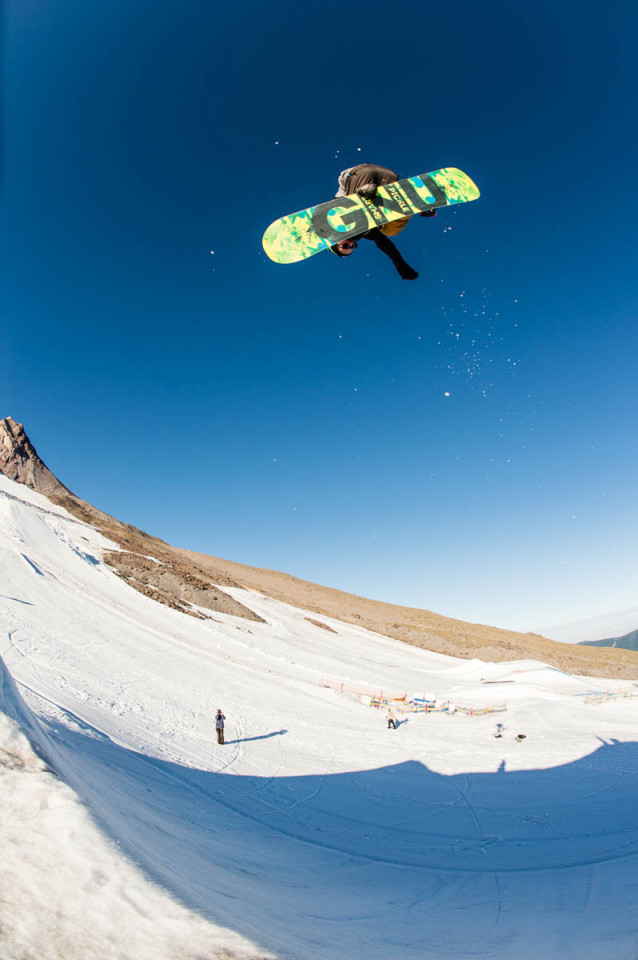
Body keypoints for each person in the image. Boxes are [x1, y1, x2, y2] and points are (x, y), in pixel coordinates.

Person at [330, 163, 436, 280]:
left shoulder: (334, 222)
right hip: (388, 177)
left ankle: (364, 194)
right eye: (353, 246)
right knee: (390, 230)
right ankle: (412, 197)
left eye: (345, 245)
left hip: (360, 175)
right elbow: (385, 245)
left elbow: (336, 205)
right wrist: (400, 264)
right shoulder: (366, 231)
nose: (350, 243)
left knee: (352, 218)